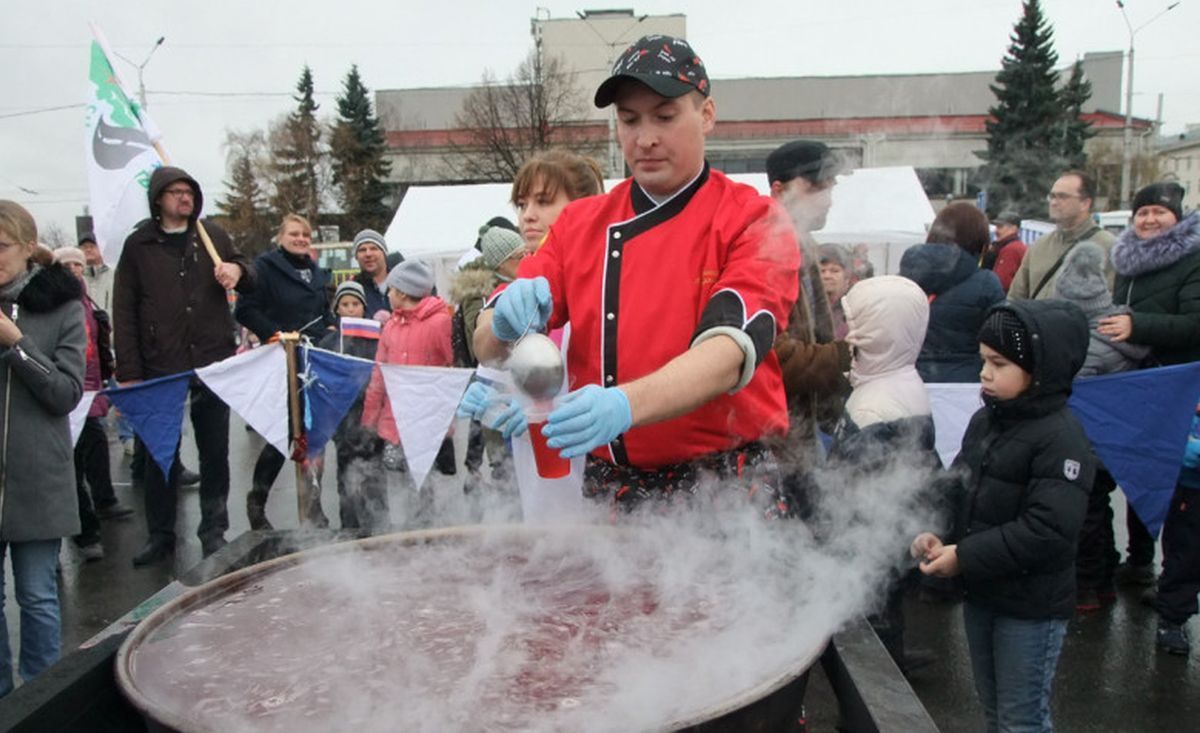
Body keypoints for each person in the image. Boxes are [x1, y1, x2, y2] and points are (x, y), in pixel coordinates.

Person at [471, 34, 799, 514]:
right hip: (612, 483)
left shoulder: (752, 219)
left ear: (706, 115)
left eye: (665, 117)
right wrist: (500, 324)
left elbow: (728, 352)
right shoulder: (581, 224)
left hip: (725, 482)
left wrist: (622, 405)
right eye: (629, 120)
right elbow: (487, 340)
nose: (645, 138)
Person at [912, 300, 1094, 733]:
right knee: (995, 712)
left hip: (1031, 607)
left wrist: (965, 556)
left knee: (1022, 719)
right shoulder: (986, 420)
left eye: (999, 363)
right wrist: (936, 532)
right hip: (985, 594)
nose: (985, 373)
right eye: (983, 361)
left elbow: (1049, 530)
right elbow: (958, 488)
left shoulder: (1062, 440)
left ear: (1040, 369)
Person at [113, 166, 254, 566]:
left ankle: (214, 530)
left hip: (212, 361)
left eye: (189, 191)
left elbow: (251, 277)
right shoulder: (139, 245)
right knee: (160, 455)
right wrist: (130, 373)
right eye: (175, 192)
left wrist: (237, 271)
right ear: (158, 198)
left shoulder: (212, 236)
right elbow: (124, 310)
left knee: (215, 453)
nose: (184, 198)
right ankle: (161, 535)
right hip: (161, 365)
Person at [1097, 181, 1200, 653]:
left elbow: (1195, 323)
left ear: (1177, 217)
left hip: (1177, 390)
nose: (1150, 220)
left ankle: (1173, 598)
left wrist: (1139, 326)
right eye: (1143, 212)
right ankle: (1141, 562)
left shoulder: (1193, 258)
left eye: (1160, 212)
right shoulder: (1127, 260)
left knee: (1180, 494)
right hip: (1136, 385)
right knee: (1140, 474)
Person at [827, 275, 937, 674]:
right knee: (885, 599)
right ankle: (894, 659)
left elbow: (854, 486)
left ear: (879, 332)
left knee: (871, 612)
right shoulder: (897, 377)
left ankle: (883, 679)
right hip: (894, 530)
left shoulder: (877, 405)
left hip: (870, 532)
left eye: (854, 323)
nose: (844, 332)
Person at [0, 201, 86, 696]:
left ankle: (38, 695)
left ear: (28, 249)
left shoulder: (62, 307)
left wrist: (17, 344)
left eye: (3, 247)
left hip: (37, 476)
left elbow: (65, 395)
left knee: (36, 595)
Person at [1052, 241, 1150, 612]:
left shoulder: (1086, 345)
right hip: (1116, 443)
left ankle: (1087, 589)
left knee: (1085, 516)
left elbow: (1069, 388)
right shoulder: (1121, 332)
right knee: (1100, 509)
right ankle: (1105, 579)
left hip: (1087, 443)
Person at [763, 140, 852, 521]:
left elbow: (816, 334)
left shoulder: (804, 244)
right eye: (815, 185)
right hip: (769, 447)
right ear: (778, 190)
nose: (827, 197)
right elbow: (765, 354)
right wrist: (845, 357)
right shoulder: (760, 246)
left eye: (830, 185)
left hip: (800, 440)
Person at [235, 214, 332, 530]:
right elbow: (245, 310)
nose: (301, 238)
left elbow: (323, 313)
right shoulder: (264, 269)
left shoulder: (316, 274)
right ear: (281, 237)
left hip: (315, 363)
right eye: (294, 233)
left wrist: (332, 328)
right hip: (282, 361)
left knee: (314, 436)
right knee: (284, 435)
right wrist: (276, 334)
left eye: (305, 234)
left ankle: (313, 505)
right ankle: (257, 501)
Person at [54, 247, 134, 562]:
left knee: (96, 447)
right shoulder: (53, 302)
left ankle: (105, 501)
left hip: (91, 390)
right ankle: (84, 533)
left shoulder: (88, 302)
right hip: (64, 394)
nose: (74, 268)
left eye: (78, 263)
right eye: (68, 264)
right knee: (70, 466)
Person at [361, 260, 453, 524]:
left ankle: (430, 533)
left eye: (390, 290)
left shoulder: (440, 323)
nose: (387, 295)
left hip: (429, 423)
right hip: (395, 424)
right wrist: (370, 416)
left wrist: (447, 416)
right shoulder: (391, 326)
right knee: (398, 482)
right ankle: (403, 533)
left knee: (427, 482)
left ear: (402, 292)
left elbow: (451, 369)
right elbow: (379, 374)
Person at [451, 224, 528, 495]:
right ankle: (508, 524)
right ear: (504, 261)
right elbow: (481, 345)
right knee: (504, 466)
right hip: (494, 387)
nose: (527, 260)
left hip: (520, 391)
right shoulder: (484, 294)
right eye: (521, 256)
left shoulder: (520, 285)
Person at [900, 202, 1005, 383]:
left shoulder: (907, 274)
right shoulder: (986, 283)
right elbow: (1001, 341)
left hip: (910, 378)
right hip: (967, 382)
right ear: (978, 240)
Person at [316, 280, 386, 530]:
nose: (350, 308)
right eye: (344, 304)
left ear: (363, 307)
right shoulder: (329, 342)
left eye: (355, 304)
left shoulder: (377, 339)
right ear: (337, 310)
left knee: (375, 474)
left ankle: (379, 524)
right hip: (343, 421)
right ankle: (350, 525)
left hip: (371, 418)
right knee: (346, 475)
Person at [1008, 170, 1115, 300]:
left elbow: (1112, 303)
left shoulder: (1108, 246)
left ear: (1085, 203)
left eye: (1062, 197)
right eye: (1052, 196)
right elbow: (1015, 298)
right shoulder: (1039, 246)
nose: (1053, 202)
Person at [512, 149, 606, 251]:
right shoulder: (526, 265)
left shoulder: (613, 263)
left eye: (543, 202)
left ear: (583, 205)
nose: (527, 216)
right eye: (522, 205)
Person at [350, 229, 402, 321]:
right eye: (362, 250)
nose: (368, 254)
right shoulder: (353, 288)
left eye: (374, 248)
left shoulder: (402, 283)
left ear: (384, 253)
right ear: (356, 257)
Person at [983, 211, 1027, 293]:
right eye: (996, 226)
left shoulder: (1011, 249)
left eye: (1000, 227)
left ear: (1014, 229)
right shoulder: (1016, 246)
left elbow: (1002, 282)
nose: (996, 230)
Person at [819, 243, 852, 340]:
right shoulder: (808, 309)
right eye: (822, 271)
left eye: (834, 271)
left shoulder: (854, 307)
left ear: (846, 277)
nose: (827, 276)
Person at [77, 233, 114, 313]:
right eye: (84, 247)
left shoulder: (114, 276)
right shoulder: (75, 278)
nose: (88, 250)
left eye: (92, 246)